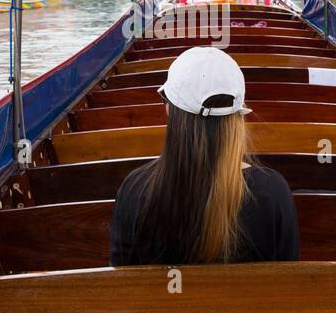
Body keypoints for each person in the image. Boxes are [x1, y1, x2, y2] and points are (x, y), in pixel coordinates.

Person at [110, 46, 299, 266]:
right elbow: (287, 285)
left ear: (170, 110)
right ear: (238, 117)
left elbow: (123, 286)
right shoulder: (272, 192)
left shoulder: (136, 188)